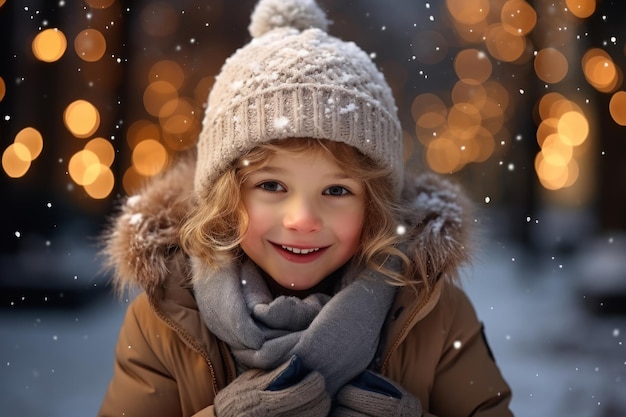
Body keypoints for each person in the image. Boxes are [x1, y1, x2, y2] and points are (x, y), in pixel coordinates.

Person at [98, 0, 514, 415]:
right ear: (225, 199)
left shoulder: (432, 315)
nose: (302, 220)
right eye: (272, 185)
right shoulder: (167, 319)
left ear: (376, 206)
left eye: (336, 191)